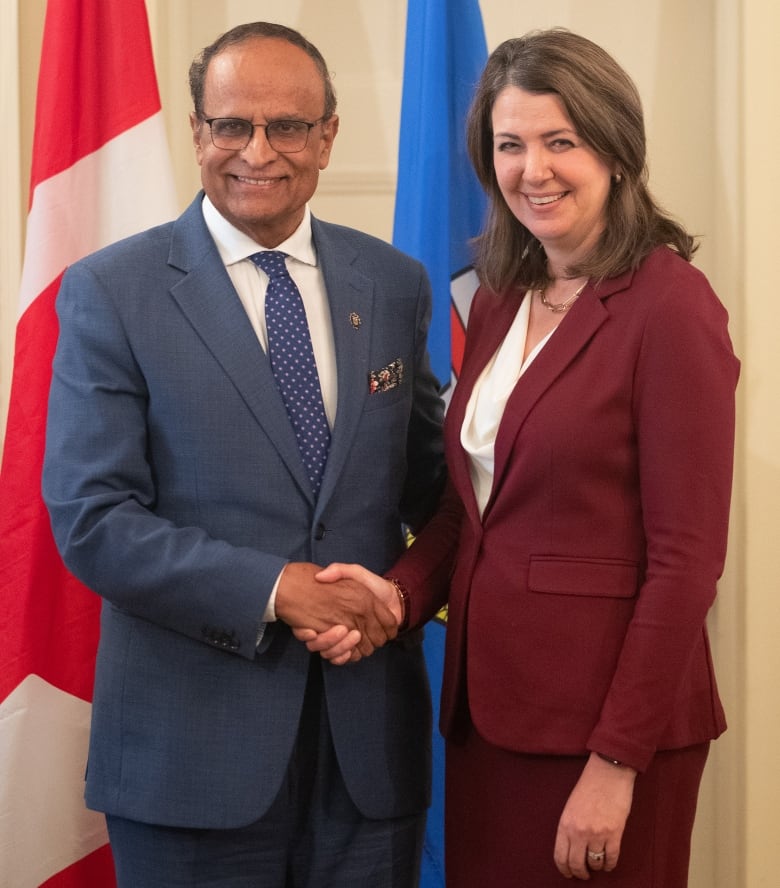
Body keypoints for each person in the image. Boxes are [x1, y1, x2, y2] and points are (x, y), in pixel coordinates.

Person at [303, 28, 739, 887]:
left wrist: (617, 763)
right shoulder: (504, 295)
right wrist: (397, 593)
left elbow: (688, 562)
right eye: (510, 145)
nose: (532, 169)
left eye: (560, 141)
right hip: (490, 717)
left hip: (607, 736)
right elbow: (474, 509)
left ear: (615, 149)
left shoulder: (671, 307)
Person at [42, 21, 445, 888]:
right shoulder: (113, 291)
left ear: (328, 137)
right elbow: (92, 518)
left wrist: (404, 598)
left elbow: (436, 490)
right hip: (190, 764)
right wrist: (275, 590)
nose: (256, 150)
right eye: (231, 125)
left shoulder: (394, 285)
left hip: (368, 760)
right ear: (197, 133)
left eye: (287, 126)